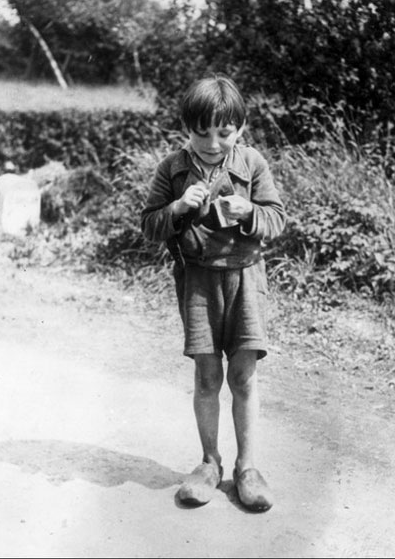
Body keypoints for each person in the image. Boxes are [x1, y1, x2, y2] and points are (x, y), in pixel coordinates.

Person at [141, 74, 286, 512]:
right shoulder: (172, 169)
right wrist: (178, 207)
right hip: (198, 282)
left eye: (224, 132)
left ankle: (248, 468)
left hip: (246, 280)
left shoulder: (252, 164)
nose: (212, 142)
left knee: (243, 376)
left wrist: (250, 212)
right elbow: (149, 225)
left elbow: (277, 220)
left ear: (240, 129)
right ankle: (209, 463)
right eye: (201, 132)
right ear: (186, 128)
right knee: (207, 377)